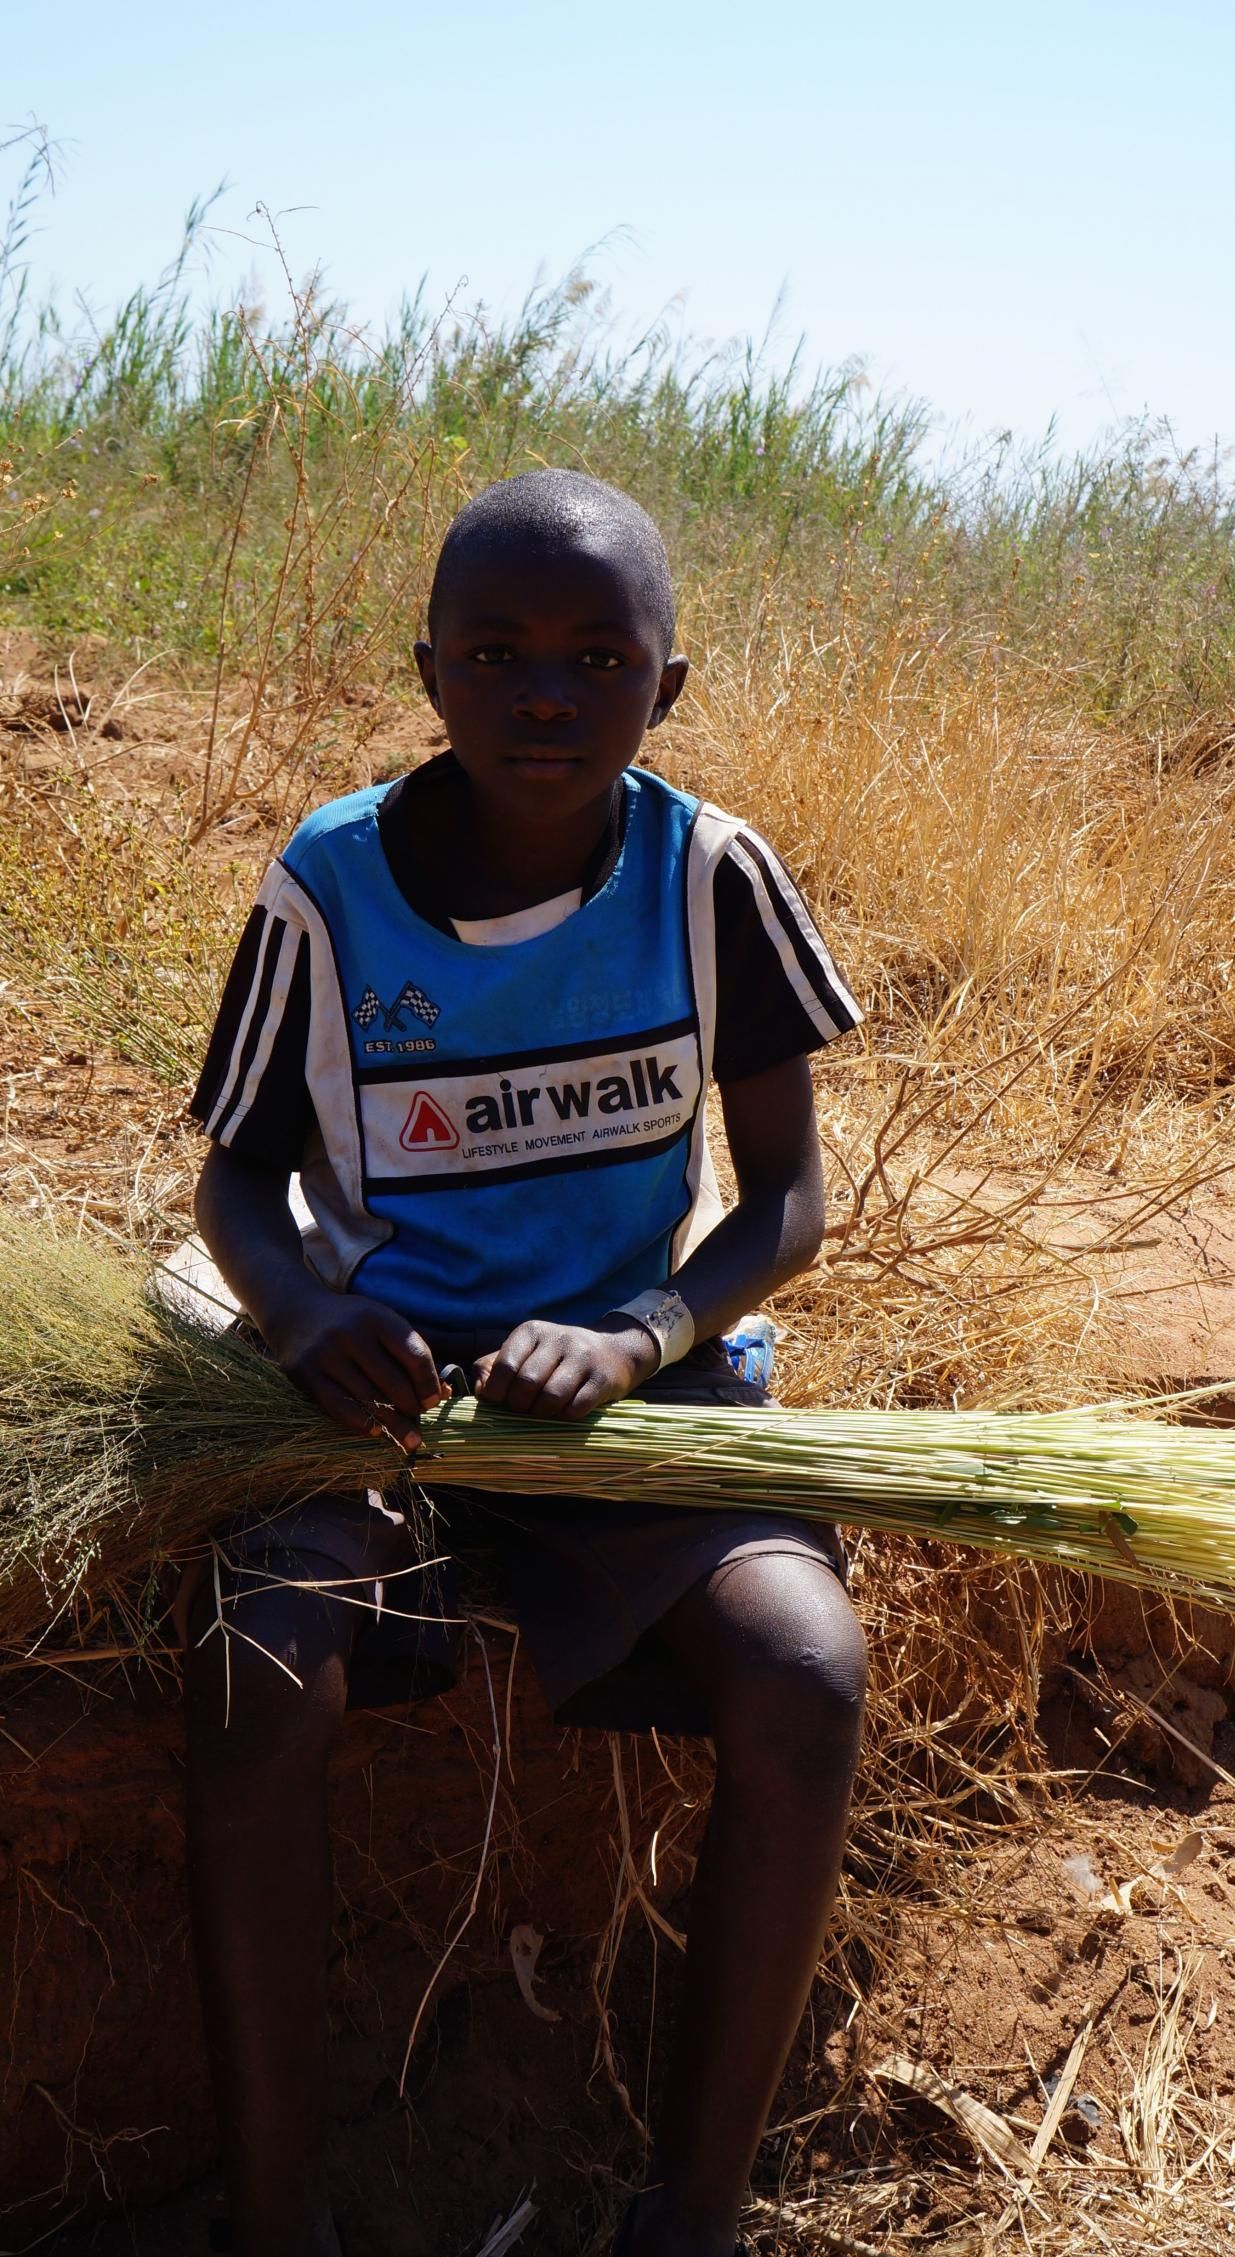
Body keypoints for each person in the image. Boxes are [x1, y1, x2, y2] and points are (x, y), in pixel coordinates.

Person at [182, 469, 869, 2257]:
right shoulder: (331, 888)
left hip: (630, 1408)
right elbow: (236, 1180)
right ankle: (280, 2218)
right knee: (256, 1673)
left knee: (805, 1669)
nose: (545, 694)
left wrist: (644, 1329)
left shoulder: (713, 876)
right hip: (383, 1408)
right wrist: (304, 1314)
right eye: (496, 653)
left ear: (671, 681)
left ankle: (692, 2213)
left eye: (595, 655)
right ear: (430, 669)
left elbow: (790, 1196)